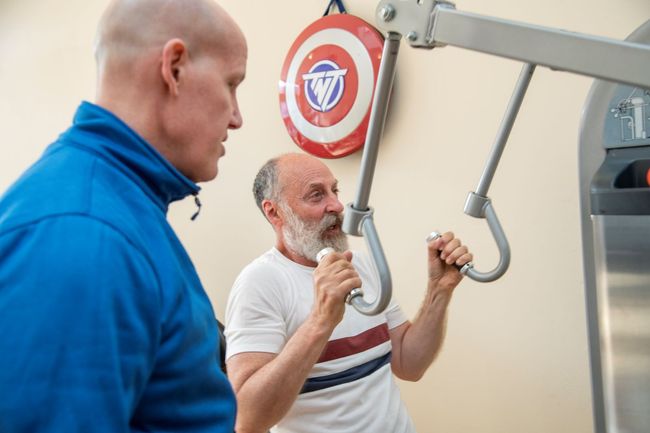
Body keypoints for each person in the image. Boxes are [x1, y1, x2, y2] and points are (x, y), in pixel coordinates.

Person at [0, 0, 246, 431]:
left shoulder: (122, 208)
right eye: (232, 84)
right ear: (174, 67)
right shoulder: (84, 233)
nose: (237, 117)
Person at [225, 153, 473, 433]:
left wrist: (439, 290)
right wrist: (321, 320)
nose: (336, 205)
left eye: (335, 190)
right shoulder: (260, 282)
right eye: (316, 195)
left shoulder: (362, 264)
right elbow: (247, 418)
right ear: (274, 212)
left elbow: (409, 364)